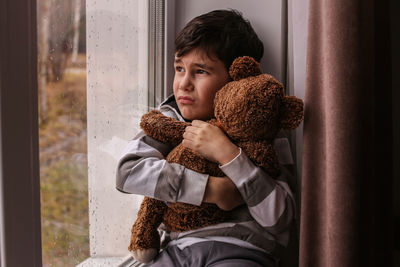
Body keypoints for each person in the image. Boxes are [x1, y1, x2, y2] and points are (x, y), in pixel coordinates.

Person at [116, 9, 296, 267]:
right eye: (179, 68)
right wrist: (212, 189)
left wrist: (228, 155)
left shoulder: (263, 129)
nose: (183, 84)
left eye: (200, 71)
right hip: (176, 251)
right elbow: (127, 171)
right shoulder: (170, 120)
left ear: (236, 77)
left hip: (242, 251)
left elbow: (281, 220)